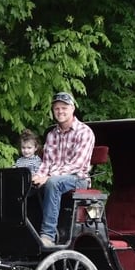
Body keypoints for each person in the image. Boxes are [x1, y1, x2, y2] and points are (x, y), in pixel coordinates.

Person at [31, 91, 95, 248]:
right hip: (56, 177)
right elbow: (46, 163)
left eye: (64, 108)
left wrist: (48, 177)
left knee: (53, 183)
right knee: (27, 184)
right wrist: (37, 177)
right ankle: (28, 232)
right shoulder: (52, 135)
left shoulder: (84, 132)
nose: (60, 111)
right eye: (56, 108)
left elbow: (77, 165)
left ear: (72, 108)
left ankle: (48, 235)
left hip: (78, 179)